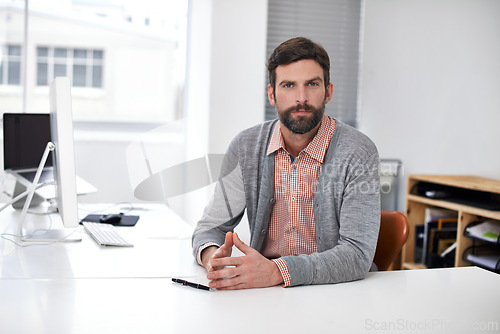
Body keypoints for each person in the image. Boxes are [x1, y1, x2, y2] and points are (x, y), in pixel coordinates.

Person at [192, 37, 380, 290]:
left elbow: (357, 255)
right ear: (272, 94)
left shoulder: (358, 151)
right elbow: (211, 228)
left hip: (336, 291)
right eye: (288, 85)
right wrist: (212, 258)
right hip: (266, 293)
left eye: (312, 84)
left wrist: (276, 271)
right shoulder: (245, 147)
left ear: (328, 92)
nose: (301, 98)